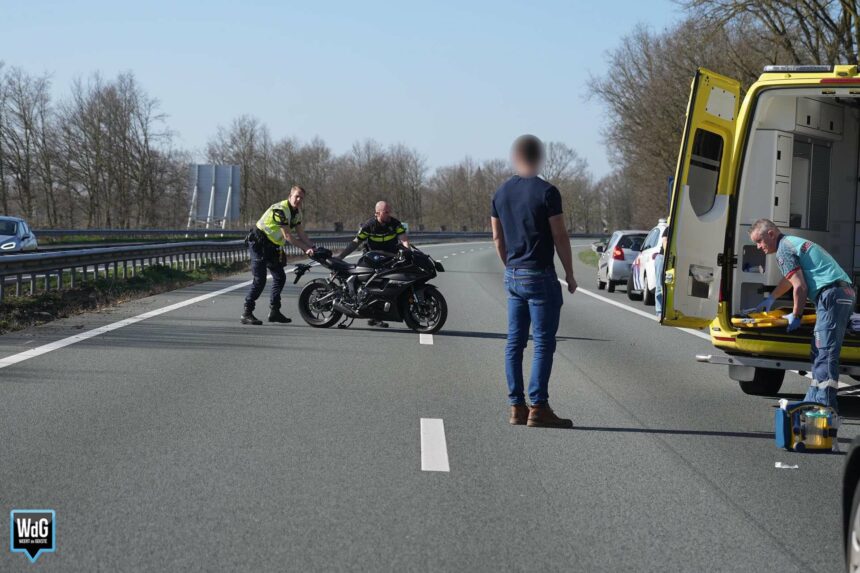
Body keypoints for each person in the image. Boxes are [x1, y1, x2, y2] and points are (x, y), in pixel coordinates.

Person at [490, 134, 578, 428]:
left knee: (514, 343)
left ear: (516, 157)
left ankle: (516, 407)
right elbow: (559, 234)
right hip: (540, 274)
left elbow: (497, 238)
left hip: (513, 273)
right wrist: (570, 272)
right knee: (542, 343)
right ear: (539, 158)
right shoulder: (547, 192)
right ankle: (538, 406)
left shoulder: (501, 193)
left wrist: (510, 267)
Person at [750, 218, 855, 411]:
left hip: (831, 295)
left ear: (771, 234)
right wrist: (771, 298)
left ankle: (825, 406)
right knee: (818, 350)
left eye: (759, 241)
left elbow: (800, 287)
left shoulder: (783, 250)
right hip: (841, 293)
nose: (758, 247)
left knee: (825, 352)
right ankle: (813, 398)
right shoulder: (792, 243)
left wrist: (796, 315)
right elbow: (790, 280)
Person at [241, 185, 316, 325]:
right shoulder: (280, 210)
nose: (299, 199)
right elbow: (288, 236)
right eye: (296, 196)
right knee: (260, 280)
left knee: (280, 277)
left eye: (301, 198)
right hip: (259, 243)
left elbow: (300, 233)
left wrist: (313, 247)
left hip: (273, 246)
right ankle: (247, 312)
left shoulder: (296, 213)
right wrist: (305, 249)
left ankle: (275, 311)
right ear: (290, 196)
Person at [338, 201, 411, 327]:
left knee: (389, 285)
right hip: (372, 259)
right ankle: (356, 299)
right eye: (386, 212)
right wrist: (340, 257)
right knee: (369, 283)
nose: (389, 214)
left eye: (389, 211)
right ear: (377, 213)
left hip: (390, 258)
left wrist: (408, 252)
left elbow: (404, 239)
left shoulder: (395, 224)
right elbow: (355, 242)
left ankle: (378, 315)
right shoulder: (369, 225)